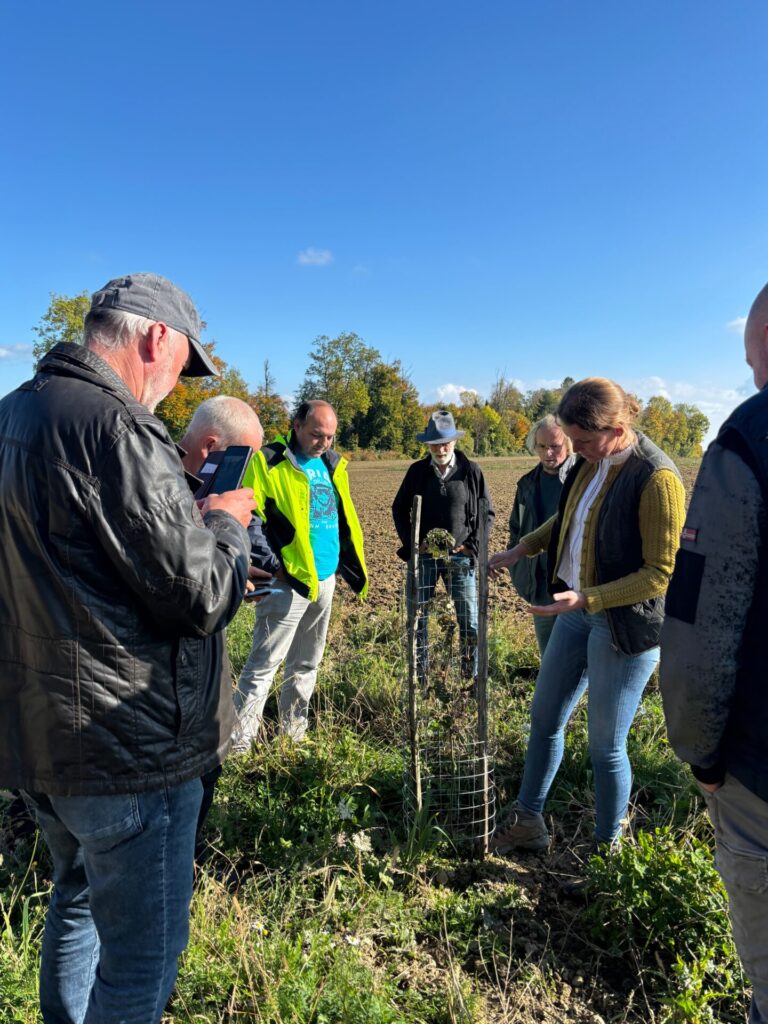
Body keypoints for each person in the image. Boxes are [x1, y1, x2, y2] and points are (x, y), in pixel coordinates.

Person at [0, 273, 253, 1024]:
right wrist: (226, 521)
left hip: (41, 737)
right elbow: (202, 595)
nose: (175, 387)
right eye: (183, 365)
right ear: (155, 338)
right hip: (129, 750)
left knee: (74, 901)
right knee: (141, 962)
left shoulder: (14, 414)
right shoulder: (119, 430)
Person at [488, 378, 685, 852]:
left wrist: (588, 598)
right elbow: (568, 517)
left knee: (605, 746)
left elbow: (660, 574)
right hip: (578, 612)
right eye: (571, 440)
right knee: (544, 718)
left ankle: (606, 851)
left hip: (625, 626)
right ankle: (528, 823)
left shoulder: (656, 478)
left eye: (583, 441)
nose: (574, 450)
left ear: (616, 429)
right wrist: (522, 549)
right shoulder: (589, 462)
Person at [660, 282, 768, 1024]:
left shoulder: (750, 439)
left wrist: (699, 755)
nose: (753, 376)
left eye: (752, 358)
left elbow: (703, 617)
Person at [233, 399, 368, 745]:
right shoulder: (268, 461)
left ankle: (292, 737)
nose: (324, 443)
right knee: (263, 667)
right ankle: (237, 746)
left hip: (324, 580)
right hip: (288, 583)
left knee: (307, 663)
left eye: (330, 437)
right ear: (296, 425)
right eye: (317, 434)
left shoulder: (332, 464)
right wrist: (275, 568)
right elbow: (250, 518)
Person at [178, 395, 267, 850]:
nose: (245, 471)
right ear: (212, 447)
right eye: (242, 458)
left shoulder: (190, 489)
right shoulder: (160, 488)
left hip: (201, 693)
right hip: (174, 708)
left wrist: (233, 574)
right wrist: (221, 522)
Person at [392, 409, 494, 681]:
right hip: (424, 558)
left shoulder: (471, 471)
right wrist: (414, 544)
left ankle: (469, 678)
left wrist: (472, 545)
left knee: (469, 619)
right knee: (418, 618)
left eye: (445, 443)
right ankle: (420, 677)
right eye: (435, 444)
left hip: (459, 557)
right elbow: (399, 508)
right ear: (428, 444)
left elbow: (487, 513)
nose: (441, 449)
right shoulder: (417, 472)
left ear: (454, 441)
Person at [508, 414, 575, 656]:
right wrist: (518, 568)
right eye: (542, 446)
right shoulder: (527, 484)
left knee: (577, 659)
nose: (548, 453)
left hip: (574, 586)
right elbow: (516, 529)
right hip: (540, 586)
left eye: (555, 446)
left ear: (568, 444)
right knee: (549, 658)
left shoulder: (580, 480)